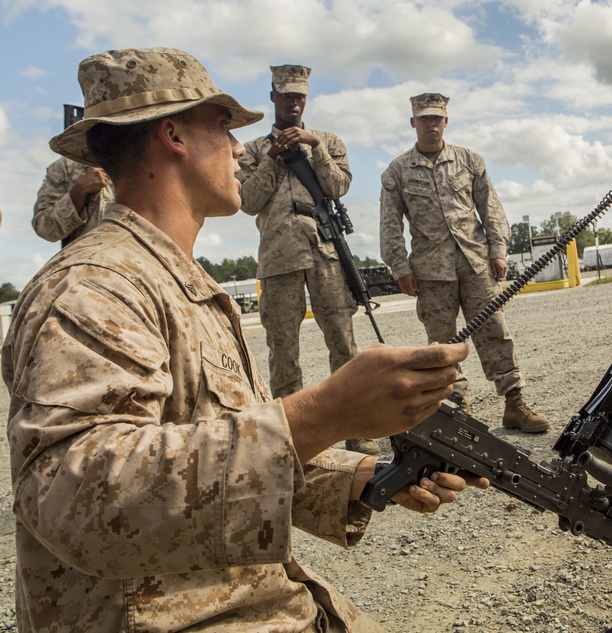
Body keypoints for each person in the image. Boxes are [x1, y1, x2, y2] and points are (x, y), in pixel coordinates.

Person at [3, 47, 487, 632]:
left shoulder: (182, 283)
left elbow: (218, 441)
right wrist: (325, 412)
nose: (237, 149)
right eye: (225, 128)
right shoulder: (91, 289)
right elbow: (73, 500)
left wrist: (358, 478)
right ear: (173, 136)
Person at [379, 93, 551, 433]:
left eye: (437, 118)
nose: (431, 124)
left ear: (446, 121)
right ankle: (458, 411)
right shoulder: (397, 171)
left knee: (495, 333)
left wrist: (497, 250)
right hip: (431, 274)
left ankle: (514, 404)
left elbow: (491, 208)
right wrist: (401, 269)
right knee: (442, 346)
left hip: (476, 265)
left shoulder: (470, 160)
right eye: (424, 118)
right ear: (413, 122)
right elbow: (389, 225)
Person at [238, 64, 376, 455]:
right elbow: (247, 201)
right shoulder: (253, 151)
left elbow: (338, 187)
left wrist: (314, 149)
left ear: (306, 98)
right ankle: (289, 437)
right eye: (286, 95)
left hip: (326, 256)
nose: (293, 102)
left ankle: (356, 430)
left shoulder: (327, 142)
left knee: (343, 345)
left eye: (299, 95)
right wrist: (273, 158)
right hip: (279, 260)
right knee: (283, 351)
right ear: (273, 98)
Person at [32, 155, 114, 247]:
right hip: (80, 258)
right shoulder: (64, 167)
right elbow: (45, 229)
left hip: (126, 257)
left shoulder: (130, 164)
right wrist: (79, 190)